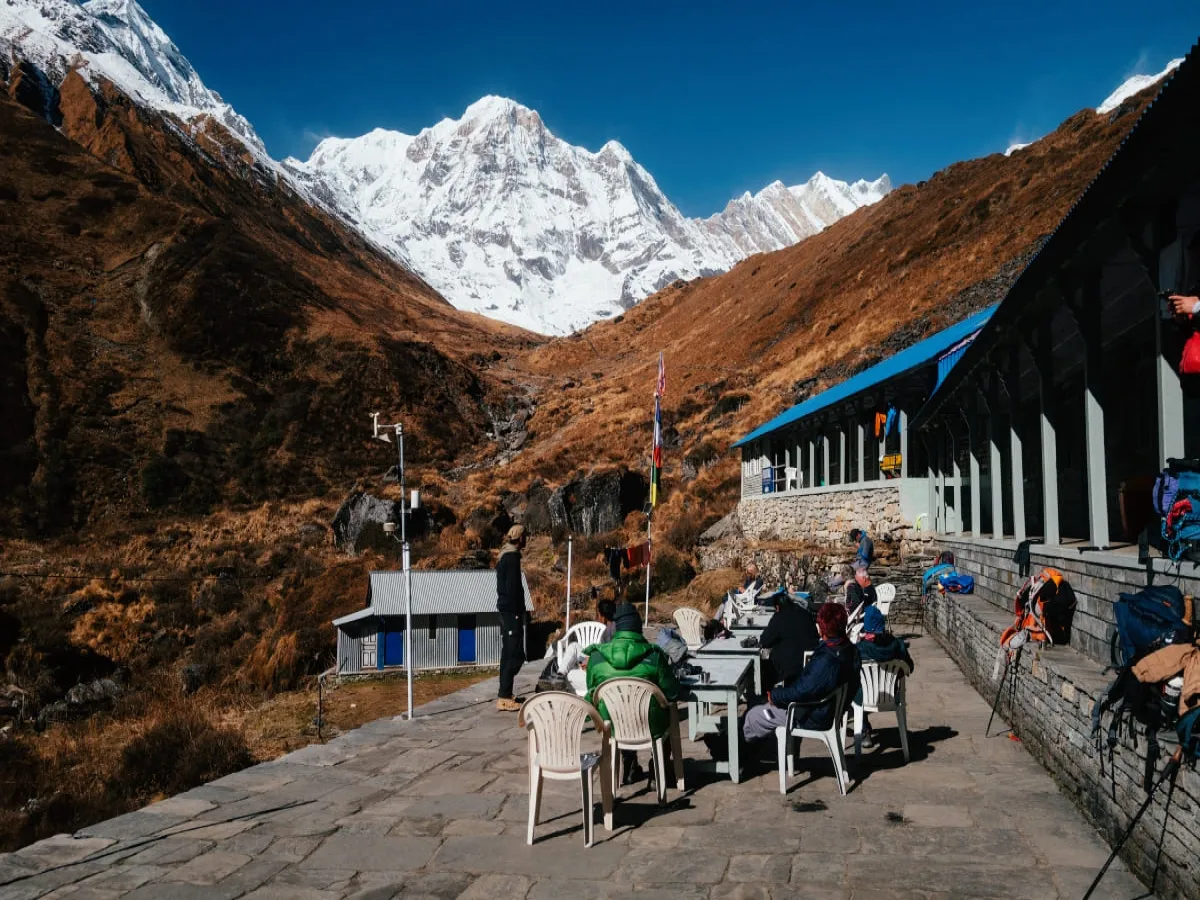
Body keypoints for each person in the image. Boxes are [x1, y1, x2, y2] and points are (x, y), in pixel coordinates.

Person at [585, 603, 681, 785]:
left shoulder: (596, 657)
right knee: (667, 713)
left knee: (620, 711)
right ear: (638, 628)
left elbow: (592, 692)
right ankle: (657, 771)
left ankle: (629, 768)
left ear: (618, 628)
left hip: (614, 724)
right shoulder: (655, 656)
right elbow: (672, 693)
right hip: (649, 725)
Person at [742, 602, 861, 745]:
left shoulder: (827, 660)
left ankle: (737, 753)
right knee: (758, 705)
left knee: (753, 716)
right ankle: (745, 745)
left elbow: (801, 691)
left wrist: (775, 695)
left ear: (822, 628)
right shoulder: (851, 651)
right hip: (826, 711)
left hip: (809, 716)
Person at [855, 605, 914, 748]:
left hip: (866, 697)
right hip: (891, 694)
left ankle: (864, 731)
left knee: (854, 686)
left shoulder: (860, 649)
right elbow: (910, 667)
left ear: (867, 630)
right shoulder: (898, 645)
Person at [495, 524, 528, 712]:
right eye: (525, 536)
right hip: (510, 611)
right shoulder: (512, 558)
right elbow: (512, 588)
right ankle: (504, 696)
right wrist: (516, 611)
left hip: (507, 611)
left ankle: (505, 693)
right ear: (520, 538)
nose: (526, 539)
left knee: (510, 652)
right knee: (513, 654)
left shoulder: (504, 556)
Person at [759, 591, 820, 689]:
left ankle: (767, 694)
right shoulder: (805, 613)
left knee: (765, 662)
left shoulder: (779, 616)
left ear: (777, 607)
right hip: (811, 662)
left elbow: (764, 641)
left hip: (790, 667)